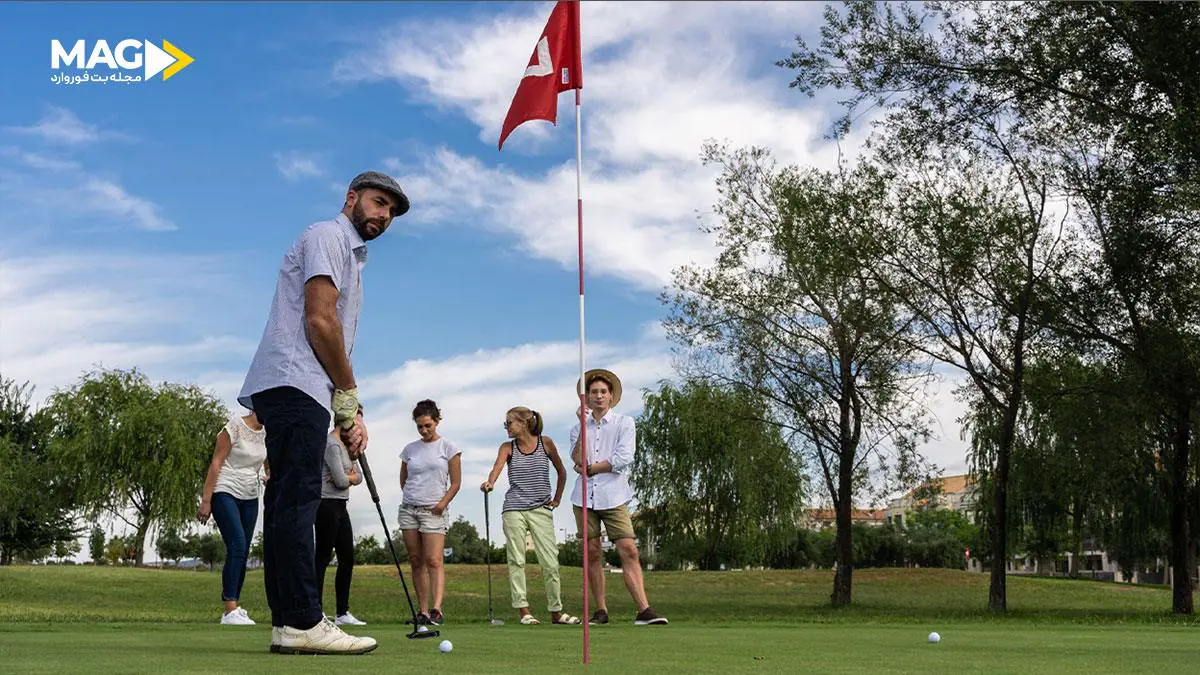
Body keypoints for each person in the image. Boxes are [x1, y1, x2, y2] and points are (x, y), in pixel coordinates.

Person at [238, 170, 409, 655]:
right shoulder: (328, 235)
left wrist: (347, 410)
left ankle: (289, 622)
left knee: (287, 503)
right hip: (295, 381)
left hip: (301, 385)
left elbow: (329, 333)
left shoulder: (349, 256)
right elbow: (319, 319)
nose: (384, 216)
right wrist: (348, 396)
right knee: (296, 502)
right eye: (379, 203)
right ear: (352, 197)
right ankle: (302, 622)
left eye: (391, 212)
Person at [570, 368, 668, 626]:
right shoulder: (577, 428)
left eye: (603, 392)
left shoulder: (625, 423)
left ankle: (644, 610)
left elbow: (623, 459)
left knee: (629, 549)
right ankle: (601, 611)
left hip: (614, 496)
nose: (599, 396)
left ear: (611, 396)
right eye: (594, 392)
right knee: (592, 552)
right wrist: (582, 427)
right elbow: (578, 459)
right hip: (584, 497)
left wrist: (592, 468)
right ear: (587, 398)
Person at [481, 406, 581, 625]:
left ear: (524, 423)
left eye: (509, 422)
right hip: (514, 508)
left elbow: (561, 471)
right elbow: (496, 468)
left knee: (550, 562)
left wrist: (556, 499)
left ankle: (556, 612)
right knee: (516, 560)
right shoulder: (508, 447)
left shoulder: (545, 443)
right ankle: (524, 611)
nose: (506, 427)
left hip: (540, 509)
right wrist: (491, 483)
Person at [197, 410, 268, 626]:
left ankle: (234, 609)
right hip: (224, 489)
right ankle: (229, 609)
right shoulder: (235, 426)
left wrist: (268, 476)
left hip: (250, 495)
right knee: (236, 543)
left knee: (244, 549)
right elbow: (217, 462)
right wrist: (206, 500)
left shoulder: (268, 433)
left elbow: (267, 464)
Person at [398, 399, 462, 626]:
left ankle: (437, 609)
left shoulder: (449, 448)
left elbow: (455, 483)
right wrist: (412, 497)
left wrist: (441, 504)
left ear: (436, 421)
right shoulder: (409, 449)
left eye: (428, 425)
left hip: (434, 511)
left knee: (434, 560)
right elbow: (404, 478)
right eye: (420, 427)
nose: (424, 430)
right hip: (409, 510)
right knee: (416, 561)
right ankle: (423, 612)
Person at [316, 429, 365, 627]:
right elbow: (341, 480)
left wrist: (349, 477)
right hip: (326, 503)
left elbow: (359, 476)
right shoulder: (332, 444)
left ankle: (342, 612)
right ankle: (316, 611)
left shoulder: (346, 447)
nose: (358, 431)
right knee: (322, 557)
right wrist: (348, 477)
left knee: (347, 558)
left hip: (341, 504)